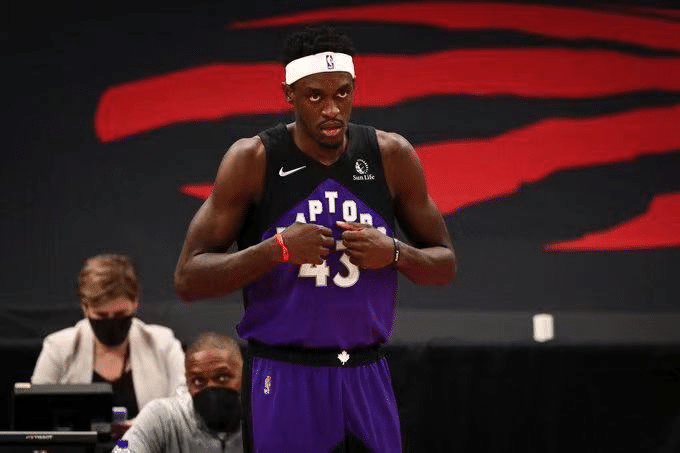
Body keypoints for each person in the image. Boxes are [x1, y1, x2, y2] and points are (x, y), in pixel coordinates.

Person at [174, 25, 456, 453]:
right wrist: (277, 250)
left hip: (365, 370)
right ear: (288, 93)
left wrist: (396, 253)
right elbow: (188, 279)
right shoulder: (253, 159)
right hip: (285, 371)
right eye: (315, 96)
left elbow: (445, 265)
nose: (331, 109)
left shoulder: (391, 155)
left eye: (343, 93)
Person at [32, 253, 185, 423]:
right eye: (101, 315)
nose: (111, 322)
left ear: (135, 303)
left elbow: (184, 406)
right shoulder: (58, 347)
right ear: (85, 308)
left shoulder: (163, 343)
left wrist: (139, 429)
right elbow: (35, 412)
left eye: (120, 314)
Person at [112, 332, 244, 453]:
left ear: (245, 377)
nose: (211, 387)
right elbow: (123, 447)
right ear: (188, 384)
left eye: (222, 378)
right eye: (198, 381)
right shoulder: (162, 416)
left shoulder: (257, 418)